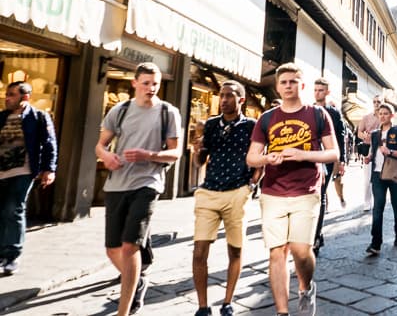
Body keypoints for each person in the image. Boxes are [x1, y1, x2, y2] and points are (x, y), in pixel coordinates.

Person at [246, 63, 339, 316]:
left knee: (300, 250)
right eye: (284, 82)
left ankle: (306, 287)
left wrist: (302, 155)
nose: (288, 86)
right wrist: (267, 159)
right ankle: (282, 312)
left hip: (306, 190)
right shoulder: (266, 118)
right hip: (273, 192)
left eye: (293, 81)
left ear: (302, 85)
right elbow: (252, 158)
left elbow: (333, 153)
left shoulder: (318, 115)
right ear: (277, 86)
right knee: (277, 252)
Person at [95, 62, 181, 316]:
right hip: (116, 185)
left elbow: (175, 153)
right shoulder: (119, 111)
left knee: (130, 246)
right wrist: (106, 157)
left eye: (155, 83)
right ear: (134, 83)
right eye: (146, 83)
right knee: (112, 249)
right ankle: (138, 280)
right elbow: (100, 145)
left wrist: (149, 155)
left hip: (148, 184)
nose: (151, 88)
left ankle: (124, 310)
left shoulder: (168, 112)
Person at [191, 81, 259, 316]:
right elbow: (200, 162)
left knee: (236, 251)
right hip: (209, 191)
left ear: (241, 100)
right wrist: (197, 151)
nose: (224, 100)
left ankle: (227, 302)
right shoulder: (210, 125)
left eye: (230, 96)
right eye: (222, 96)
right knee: (199, 251)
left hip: (237, 192)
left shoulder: (252, 126)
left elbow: (260, 157)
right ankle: (202, 306)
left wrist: (251, 184)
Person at [0, 81, 57, 276]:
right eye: (7, 94)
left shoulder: (38, 117)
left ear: (25, 97)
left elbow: (49, 144)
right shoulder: (2, 117)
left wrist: (49, 169)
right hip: (1, 171)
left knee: (13, 209)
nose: (7, 98)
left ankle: (12, 255)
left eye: (12, 95)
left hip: (22, 171)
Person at [364, 104, 397, 255]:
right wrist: (369, 157)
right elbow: (373, 152)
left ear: (392, 116)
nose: (383, 116)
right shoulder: (375, 134)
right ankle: (376, 243)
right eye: (380, 113)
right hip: (378, 175)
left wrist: (390, 151)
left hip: (394, 174)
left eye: (386, 113)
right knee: (378, 208)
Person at [312, 77, 346, 254]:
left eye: (321, 90)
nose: (317, 93)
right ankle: (315, 233)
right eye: (315, 89)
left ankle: (316, 236)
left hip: (327, 158)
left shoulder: (333, 112)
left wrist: (342, 161)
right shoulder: (308, 110)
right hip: (311, 158)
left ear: (327, 92)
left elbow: (340, 137)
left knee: (321, 195)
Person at [356, 96, 381, 210]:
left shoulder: (385, 117)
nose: (376, 104)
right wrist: (364, 135)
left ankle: (378, 201)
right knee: (367, 178)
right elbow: (359, 133)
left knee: (380, 176)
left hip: (381, 148)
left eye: (378, 102)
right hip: (369, 147)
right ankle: (367, 202)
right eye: (374, 102)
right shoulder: (366, 117)